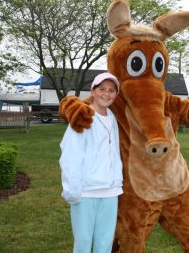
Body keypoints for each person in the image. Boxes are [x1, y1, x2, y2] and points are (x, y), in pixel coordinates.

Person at [59, 72, 123, 253]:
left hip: (111, 191)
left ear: (116, 95)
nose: (106, 94)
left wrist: (117, 180)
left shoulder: (112, 118)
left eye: (111, 90)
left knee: (105, 243)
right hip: (86, 191)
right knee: (83, 243)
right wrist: (72, 190)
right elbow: (70, 154)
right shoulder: (83, 117)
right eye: (102, 89)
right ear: (93, 91)